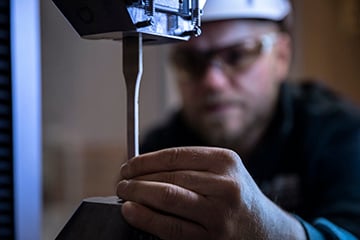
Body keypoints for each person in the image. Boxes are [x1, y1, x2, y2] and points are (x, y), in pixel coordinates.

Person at [117, 0, 360, 239]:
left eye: (236, 55)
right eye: (190, 62)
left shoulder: (338, 135)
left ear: (282, 57)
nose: (212, 82)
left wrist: (273, 232)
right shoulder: (158, 151)